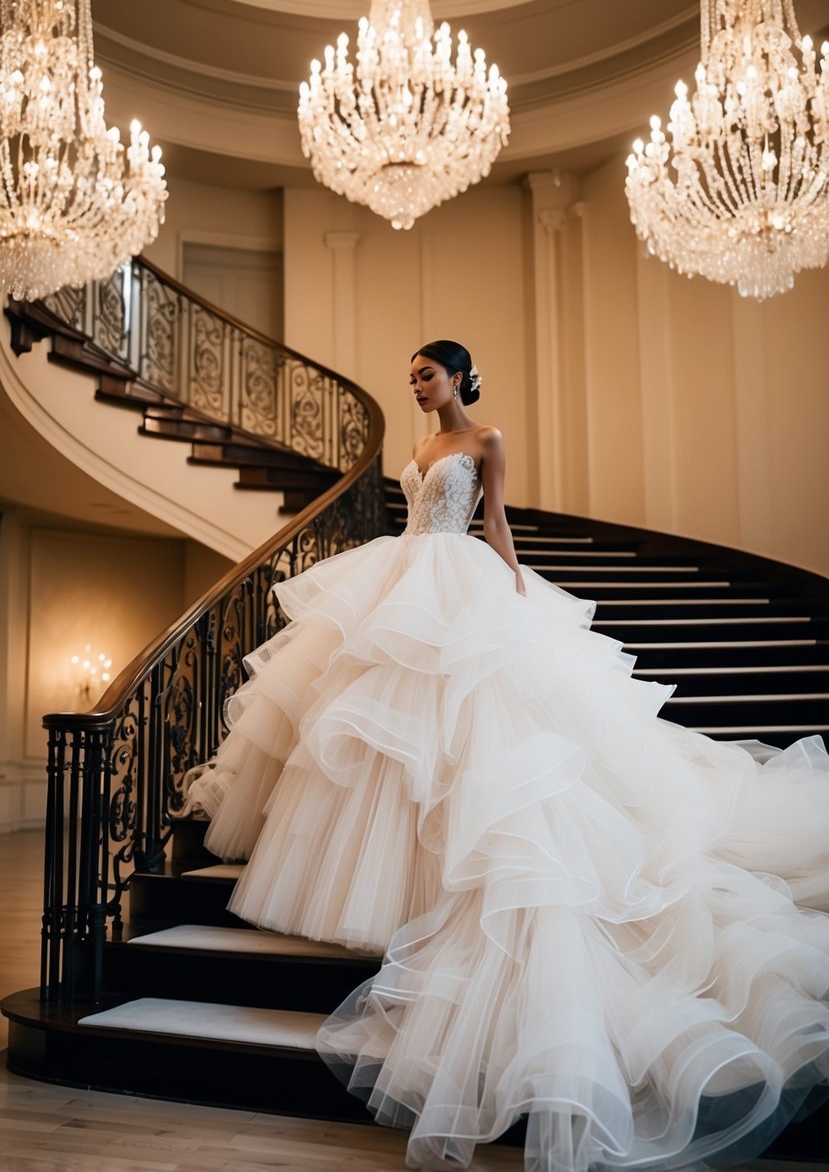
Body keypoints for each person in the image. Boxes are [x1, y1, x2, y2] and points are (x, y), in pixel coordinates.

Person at [189, 341, 829, 1172]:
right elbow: (418, 517)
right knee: (385, 735)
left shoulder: (484, 438)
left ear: (459, 377)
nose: (417, 387)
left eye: (427, 375)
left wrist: (516, 597)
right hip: (404, 582)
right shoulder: (414, 449)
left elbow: (494, 521)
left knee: (471, 731)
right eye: (411, 377)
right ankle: (390, 889)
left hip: (463, 585)